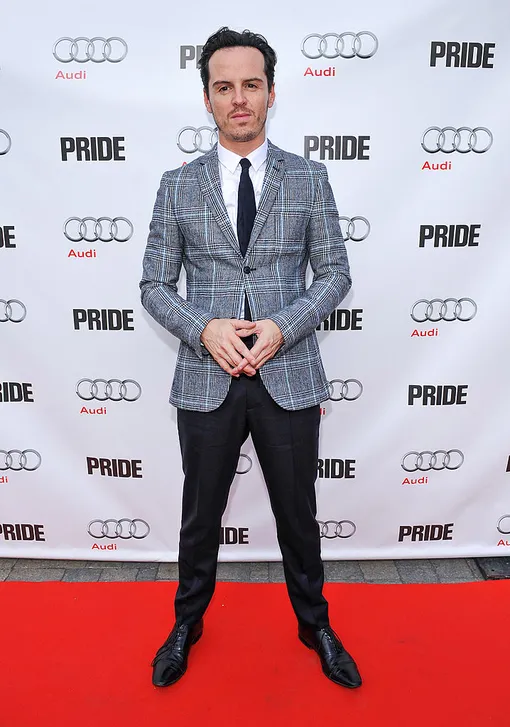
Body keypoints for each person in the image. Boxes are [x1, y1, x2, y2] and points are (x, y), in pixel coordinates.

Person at [140, 26, 361, 690]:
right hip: (206, 377)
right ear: (207, 98)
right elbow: (153, 283)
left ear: (271, 92)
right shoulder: (177, 185)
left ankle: (314, 622)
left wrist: (281, 326)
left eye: (251, 85)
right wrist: (203, 327)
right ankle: (187, 621)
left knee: (298, 511)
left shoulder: (310, 177)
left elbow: (334, 275)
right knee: (199, 513)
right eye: (224, 86)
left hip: (288, 376)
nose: (239, 99)